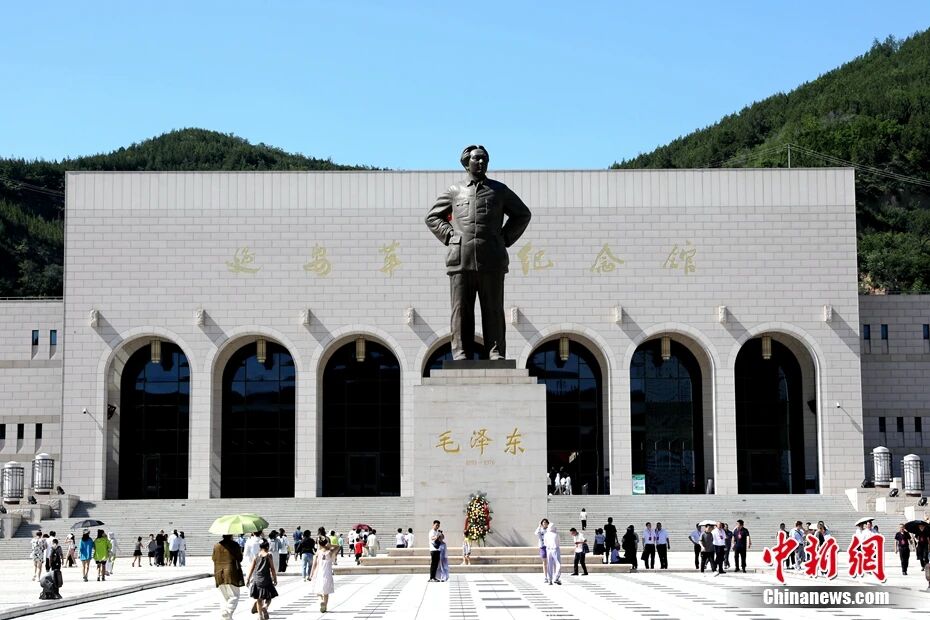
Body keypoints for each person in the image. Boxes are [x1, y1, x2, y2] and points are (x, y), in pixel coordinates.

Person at [424, 144, 532, 361]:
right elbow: (432, 217)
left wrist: (504, 238)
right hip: (460, 259)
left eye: (484, 159)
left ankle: (495, 352)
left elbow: (522, 214)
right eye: (476, 159)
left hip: (491, 258)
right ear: (467, 163)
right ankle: (461, 352)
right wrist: (450, 235)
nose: (481, 162)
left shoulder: (499, 191)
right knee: (460, 309)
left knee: (493, 308)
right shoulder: (455, 191)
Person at [212, 534, 245, 620]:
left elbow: (213, 558)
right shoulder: (234, 545)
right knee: (234, 595)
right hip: (231, 572)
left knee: (223, 596)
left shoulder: (216, 546)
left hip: (218, 573)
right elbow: (240, 558)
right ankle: (228, 611)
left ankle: (225, 614)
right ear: (231, 536)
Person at [247, 540, 278, 620]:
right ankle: (265, 606)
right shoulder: (269, 555)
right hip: (266, 579)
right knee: (269, 597)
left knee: (259, 599)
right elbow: (272, 568)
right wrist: (275, 578)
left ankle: (260, 616)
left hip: (257, 579)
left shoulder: (256, 555)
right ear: (267, 547)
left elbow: (252, 568)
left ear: (260, 547)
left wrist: (248, 578)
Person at [309, 541, 337, 613]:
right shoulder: (330, 552)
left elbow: (314, 565)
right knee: (326, 592)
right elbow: (338, 546)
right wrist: (330, 545)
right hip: (327, 574)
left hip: (319, 573)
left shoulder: (318, 553)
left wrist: (311, 574)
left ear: (319, 544)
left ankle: (321, 600)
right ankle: (325, 606)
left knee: (317, 591)